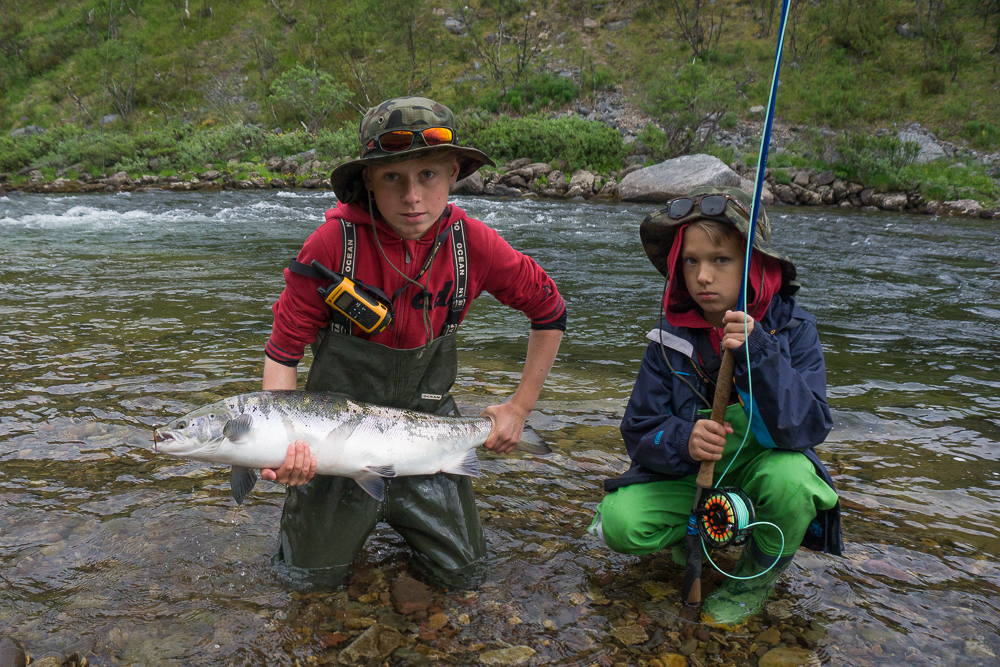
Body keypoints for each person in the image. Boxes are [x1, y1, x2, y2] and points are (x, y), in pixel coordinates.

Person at [260, 97, 566, 586]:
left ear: (452, 173)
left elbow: (550, 311)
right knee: (304, 583)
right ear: (368, 183)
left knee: (465, 577)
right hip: (337, 444)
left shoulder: (475, 245)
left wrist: (520, 407)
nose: (412, 197)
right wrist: (284, 446)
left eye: (428, 175)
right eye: (392, 179)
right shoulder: (331, 247)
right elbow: (283, 354)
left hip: (430, 437)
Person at [587, 186, 842, 626]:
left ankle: (751, 583)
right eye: (691, 261)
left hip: (762, 471)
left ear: (755, 264)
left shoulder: (794, 330)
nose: (703, 276)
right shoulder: (667, 339)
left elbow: (808, 427)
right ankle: (694, 539)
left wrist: (758, 353)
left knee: (796, 483)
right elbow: (639, 431)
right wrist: (683, 439)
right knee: (620, 522)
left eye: (720, 260)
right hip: (693, 476)